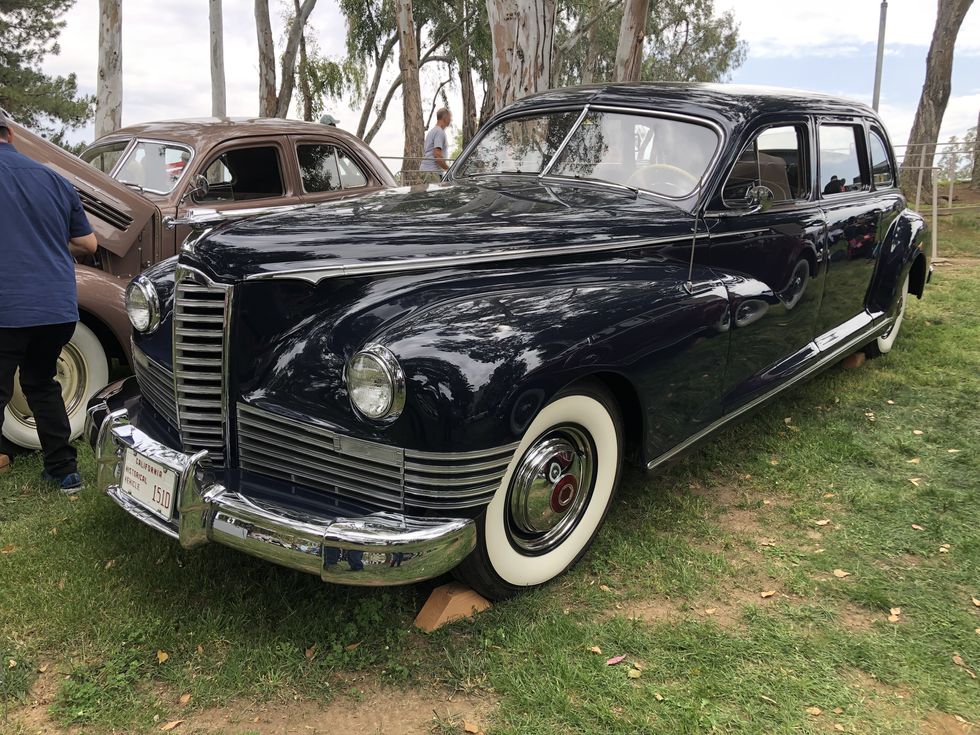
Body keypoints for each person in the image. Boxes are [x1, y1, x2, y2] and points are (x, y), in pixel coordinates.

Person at [0, 120, 98, 491]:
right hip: (56, 308)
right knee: (41, 382)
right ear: (9, 135)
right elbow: (88, 244)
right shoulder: (54, 179)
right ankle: (64, 471)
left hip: (7, 305)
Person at [419, 108, 452, 184]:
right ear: (445, 118)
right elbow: (437, 155)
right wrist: (449, 170)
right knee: (435, 196)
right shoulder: (439, 132)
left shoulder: (432, 131)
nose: (451, 120)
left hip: (428, 171)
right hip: (432, 172)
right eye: (450, 117)